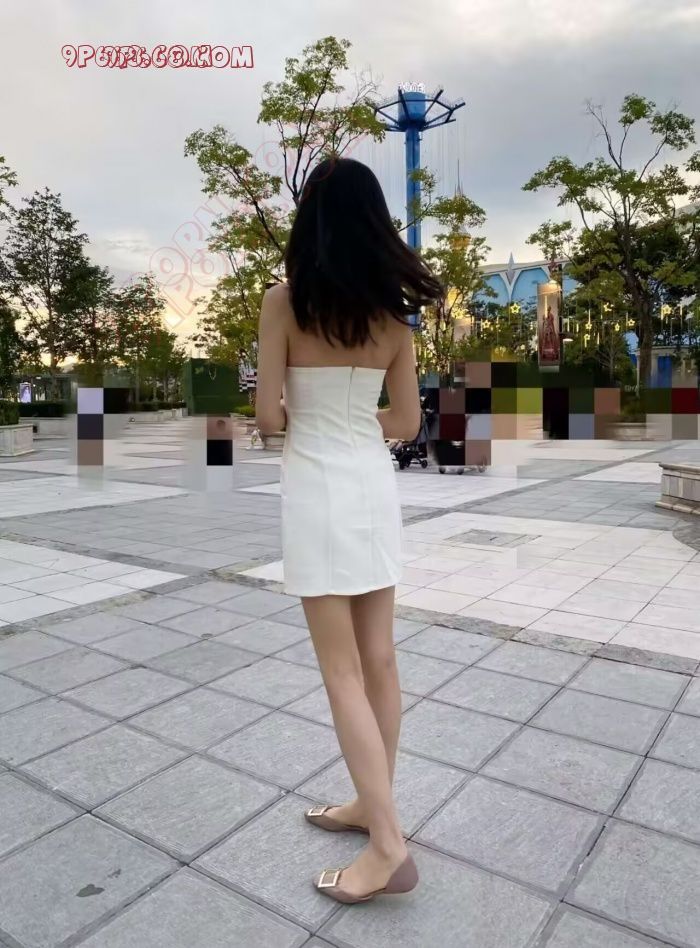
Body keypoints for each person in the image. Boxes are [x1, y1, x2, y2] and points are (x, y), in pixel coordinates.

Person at [255, 156, 443, 904]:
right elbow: (405, 423)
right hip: (371, 486)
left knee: (341, 671)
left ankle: (387, 846)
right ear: (374, 224)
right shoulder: (393, 321)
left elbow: (268, 418)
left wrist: (308, 413)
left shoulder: (283, 303)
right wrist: (353, 417)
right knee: (380, 661)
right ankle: (372, 803)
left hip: (315, 490)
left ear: (312, 221)